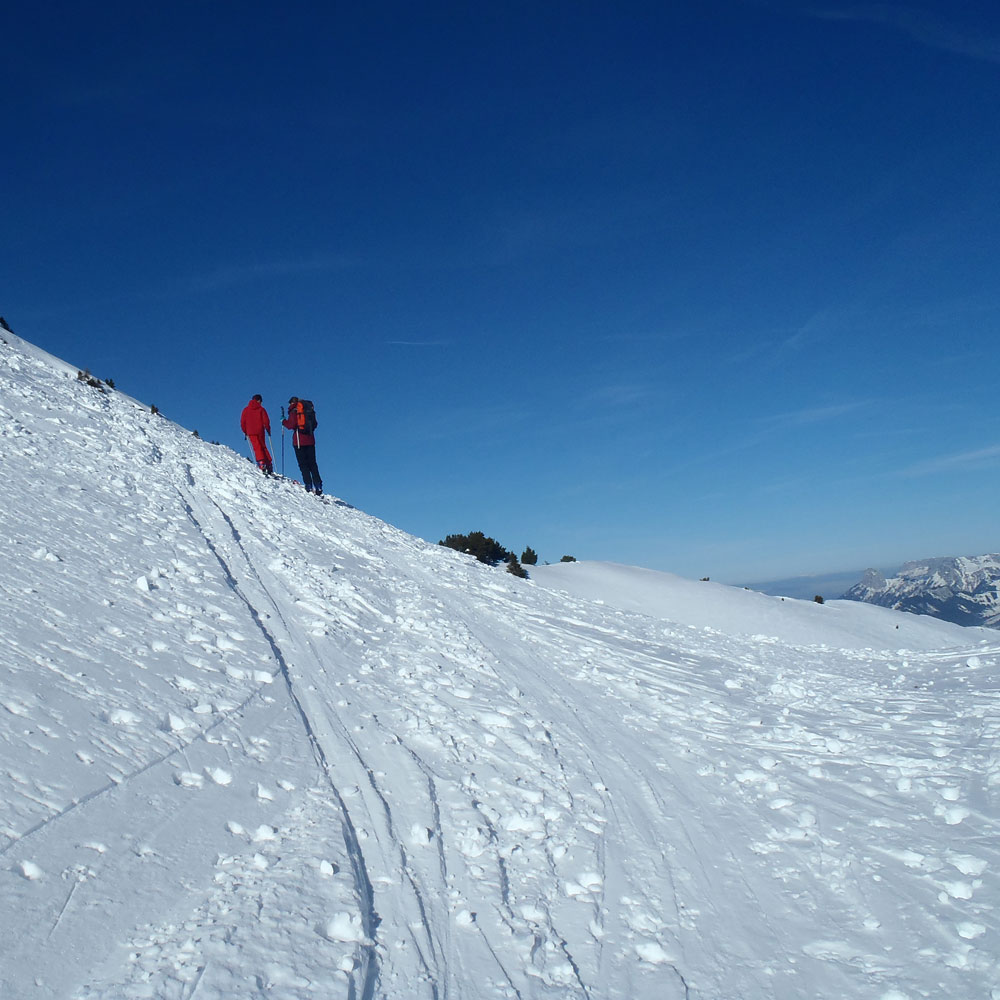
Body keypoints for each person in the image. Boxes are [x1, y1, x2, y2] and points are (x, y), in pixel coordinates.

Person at [282, 396, 323, 494]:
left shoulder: (294, 411)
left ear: (292, 403)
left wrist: (283, 421)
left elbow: (291, 425)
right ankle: (318, 485)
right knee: (313, 464)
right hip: (310, 440)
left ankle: (308, 485)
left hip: (299, 441)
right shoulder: (309, 409)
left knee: (303, 464)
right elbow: (315, 424)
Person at [240, 394, 273, 475]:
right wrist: (268, 429)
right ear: (259, 401)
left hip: (250, 431)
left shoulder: (246, 410)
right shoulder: (261, 409)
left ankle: (261, 463)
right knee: (263, 446)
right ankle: (268, 463)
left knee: (256, 447)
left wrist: (245, 431)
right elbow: (266, 421)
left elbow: (242, 422)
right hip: (260, 430)